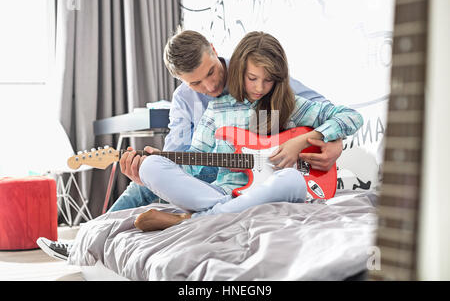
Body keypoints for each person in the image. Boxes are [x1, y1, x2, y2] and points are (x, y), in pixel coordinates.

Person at [36, 29, 344, 260]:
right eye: (196, 82)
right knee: (143, 182)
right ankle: (85, 241)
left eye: (211, 72)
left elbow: (323, 109)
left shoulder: (254, 75)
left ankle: (186, 220)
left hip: (257, 173)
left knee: (285, 180)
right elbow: (182, 156)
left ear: (213, 49)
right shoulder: (183, 100)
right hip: (206, 177)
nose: (209, 86)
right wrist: (151, 170)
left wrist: (332, 142)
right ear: (180, 81)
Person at [133, 31, 363, 232]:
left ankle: (192, 219)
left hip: (269, 188)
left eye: (268, 80)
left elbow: (351, 116)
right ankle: (219, 211)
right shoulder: (216, 109)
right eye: (252, 78)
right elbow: (192, 163)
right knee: (151, 166)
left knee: (292, 179)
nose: (259, 87)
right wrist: (158, 165)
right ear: (240, 69)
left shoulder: (288, 103)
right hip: (222, 192)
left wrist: (305, 140)